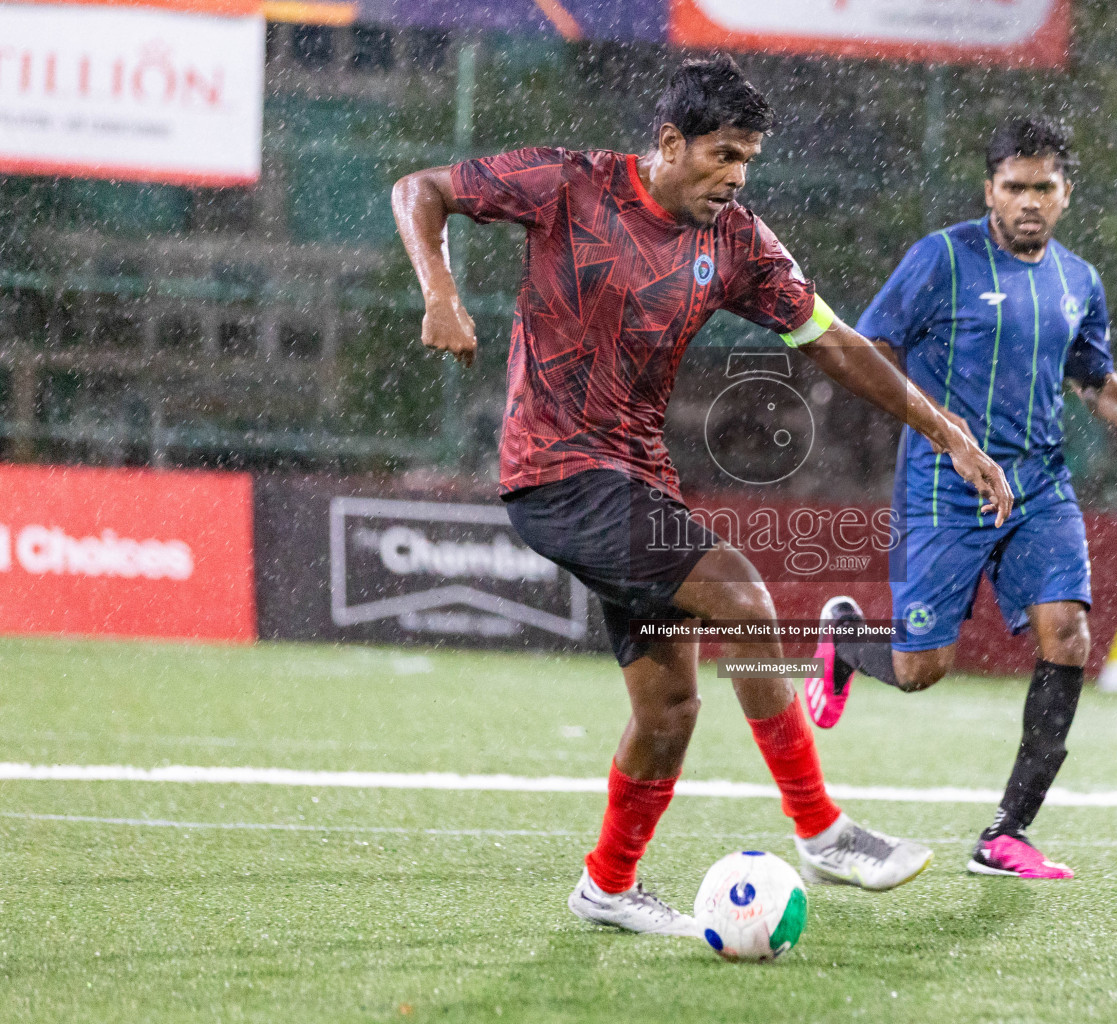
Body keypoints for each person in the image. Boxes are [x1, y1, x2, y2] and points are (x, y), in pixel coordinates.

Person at [391, 55, 1014, 935]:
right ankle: (823, 830)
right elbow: (419, 188)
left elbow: (833, 343)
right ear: (670, 142)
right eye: (722, 155)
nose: (736, 177)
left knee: (670, 708)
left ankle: (607, 886)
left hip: (639, 478)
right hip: (556, 472)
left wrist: (947, 432)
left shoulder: (739, 245)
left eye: (748, 160)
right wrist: (440, 292)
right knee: (741, 595)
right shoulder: (568, 183)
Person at [804, 117, 1117, 881]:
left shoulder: (1080, 282)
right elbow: (869, 350)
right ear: (990, 192)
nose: (1029, 201)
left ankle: (1007, 833)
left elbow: (1089, 373)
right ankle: (845, 643)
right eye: (1015, 187)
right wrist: (940, 430)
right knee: (920, 671)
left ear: (1066, 194)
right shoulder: (940, 259)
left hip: (1039, 483)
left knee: (1067, 633)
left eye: (1044, 186)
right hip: (943, 487)